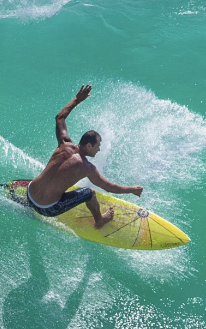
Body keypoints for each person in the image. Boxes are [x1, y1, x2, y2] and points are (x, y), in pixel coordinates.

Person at [25, 84, 143, 229]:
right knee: (89, 192)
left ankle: (35, 197)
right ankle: (99, 220)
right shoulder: (87, 167)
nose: (99, 149)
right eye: (97, 145)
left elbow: (59, 118)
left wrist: (77, 99)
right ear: (88, 145)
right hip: (46, 209)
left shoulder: (64, 144)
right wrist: (132, 189)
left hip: (29, 195)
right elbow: (109, 187)